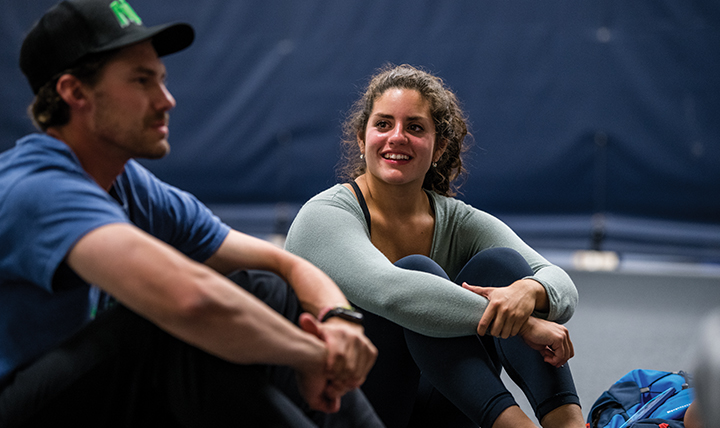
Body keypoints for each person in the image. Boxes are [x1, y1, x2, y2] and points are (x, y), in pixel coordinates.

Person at [0, 1, 382, 426]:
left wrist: (339, 322)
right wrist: (313, 355)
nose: (167, 100)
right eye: (143, 81)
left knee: (262, 289)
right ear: (75, 93)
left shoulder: (127, 182)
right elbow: (191, 300)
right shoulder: (35, 188)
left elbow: (282, 264)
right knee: (164, 327)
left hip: (100, 395)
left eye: (162, 80)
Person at [285, 64, 585, 428]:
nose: (397, 137)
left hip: (432, 411)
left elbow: (561, 286)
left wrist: (529, 291)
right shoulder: (323, 217)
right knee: (417, 274)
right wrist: (522, 324)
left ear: (439, 147)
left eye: (414, 127)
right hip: (338, 411)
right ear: (362, 141)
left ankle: (568, 424)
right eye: (383, 125)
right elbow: (394, 292)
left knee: (503, 267)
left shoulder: (457, 220)